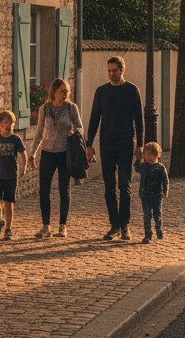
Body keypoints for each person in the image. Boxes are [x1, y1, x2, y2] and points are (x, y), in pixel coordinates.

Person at [86, 55, 144, 241]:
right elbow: (94, 118)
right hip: (107, 144)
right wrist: (89, 144)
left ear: (122, 70)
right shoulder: (101, 92)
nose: (111, 74)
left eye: (114, 71)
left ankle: (125, 224)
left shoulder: (132, 90)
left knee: (124, 185)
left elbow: (139, 120)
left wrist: (140, 144)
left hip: (125, 143)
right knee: (109, 187)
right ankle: (115, 225)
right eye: (109, 71)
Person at [30, 77, 84, 239]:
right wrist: (33, 153)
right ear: (54, 92)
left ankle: (62, 226)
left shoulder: (71, 108)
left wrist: (74, 131)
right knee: (44, 191)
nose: (65, 94)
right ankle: (46, 226)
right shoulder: (44, 109)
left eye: (67, 92)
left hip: (64, 153)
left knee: (64, 190)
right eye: (62, 91)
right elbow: (39, 132)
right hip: (47, 153)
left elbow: (80, 127)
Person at [0, 110, 27, 241]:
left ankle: (8, 229)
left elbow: (23, 153)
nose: (7, 126)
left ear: (13, 124)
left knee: (8, 203)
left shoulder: (16, 139)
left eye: (9, 123)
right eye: (4, 123)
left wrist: (24, 167)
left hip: (11, 176)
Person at [134, 141, 169, 243]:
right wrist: (138, 158)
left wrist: (165, 191)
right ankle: (148, 234)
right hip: (145, 195)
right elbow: (137, 168)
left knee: (157, 215)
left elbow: (165, 180)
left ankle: (158, 228)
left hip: (157, 196)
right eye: (145, 154)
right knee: (147, 215)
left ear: (156, 155)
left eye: (149, 155)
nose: (146, 157)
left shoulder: (160, 167)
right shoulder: (144, 166)